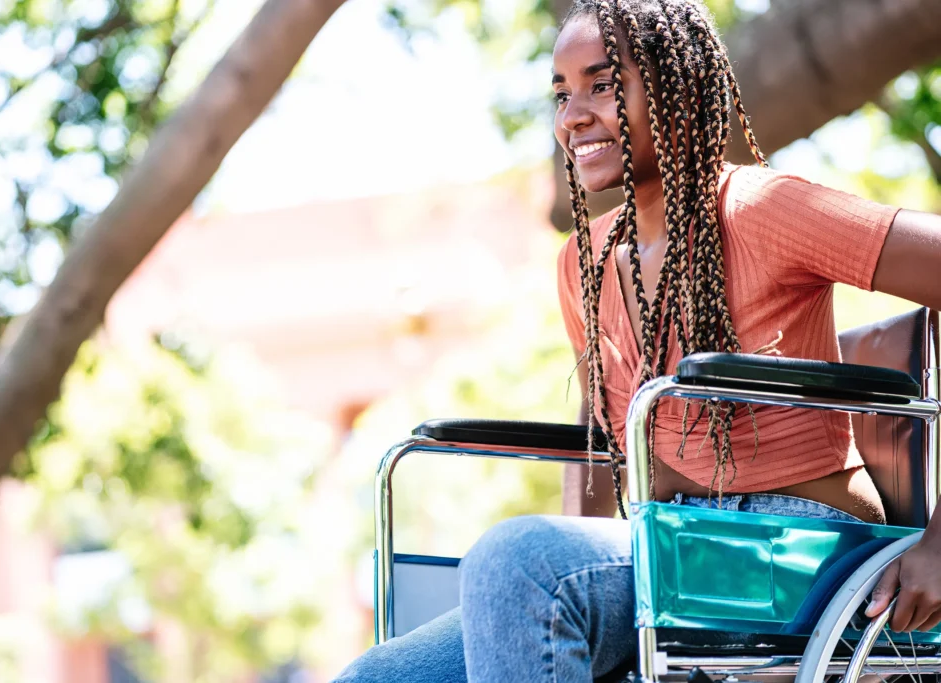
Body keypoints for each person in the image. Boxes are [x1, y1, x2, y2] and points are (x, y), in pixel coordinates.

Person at [332, 1, 941, 681]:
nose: (572, 115)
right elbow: (596, 439)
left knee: (518, 559)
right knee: (376, 675)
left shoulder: (762, 208)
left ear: (676, 89)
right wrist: (563, 579)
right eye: (561, 93)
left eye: (601, 84)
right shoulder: (585, 260)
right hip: (669, 546)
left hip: (799, 549)